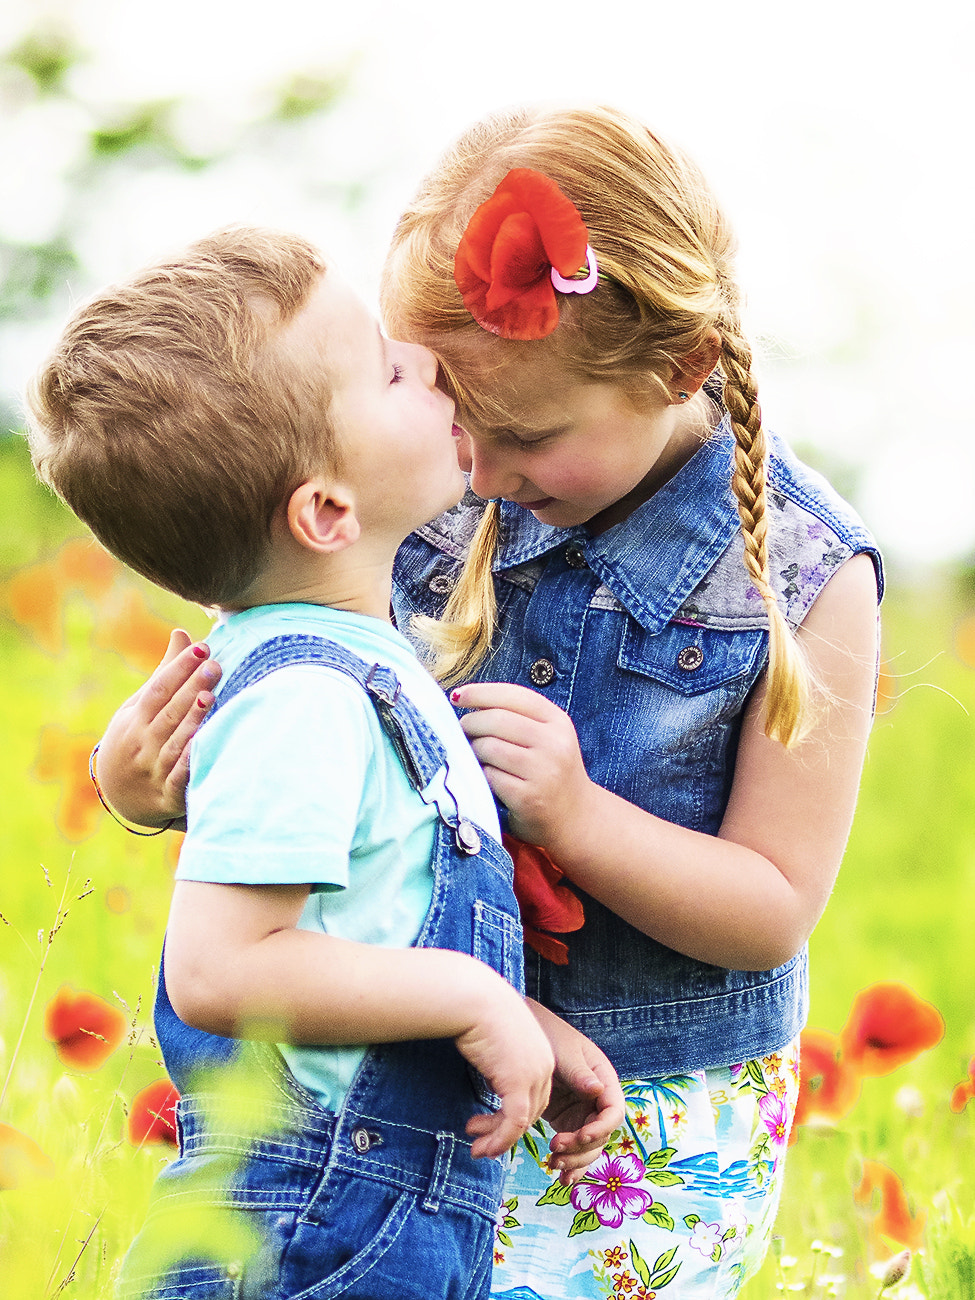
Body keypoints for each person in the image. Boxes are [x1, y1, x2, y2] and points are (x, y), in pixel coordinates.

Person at [92, 106, 883, 1300]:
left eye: (525, 436)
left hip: (645, 1113)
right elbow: (277, 710)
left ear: (680, 370)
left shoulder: (803, 575)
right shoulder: (418, 494)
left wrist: (575, 815)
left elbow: (772, 905)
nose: (484, 469)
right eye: (451, 412)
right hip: (410, 1070)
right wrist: (142, 781)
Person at [24, 226, 623, 1300]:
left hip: (367, 1226)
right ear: (326, 510)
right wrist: (473, 992)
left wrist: (520, 1019)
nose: (429, 364)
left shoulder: (359, 668)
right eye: (391, 372)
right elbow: (224, 966)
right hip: (313, 1229)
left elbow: (357, 932)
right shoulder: (305, 694)